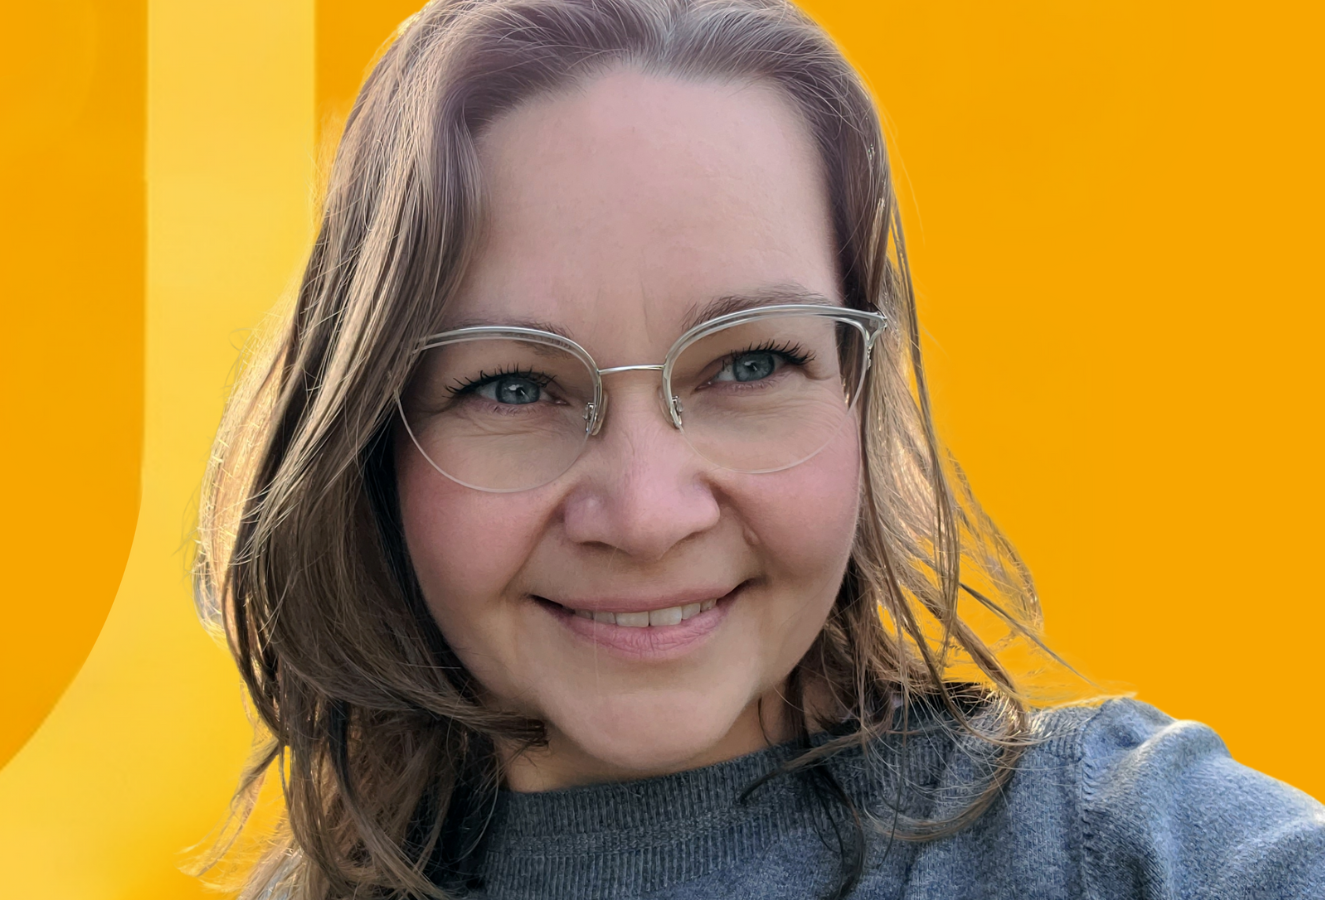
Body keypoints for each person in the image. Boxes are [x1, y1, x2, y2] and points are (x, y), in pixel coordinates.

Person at [193, 1, 1325, 897]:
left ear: (856, 386)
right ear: (374, 440)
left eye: (746, 366)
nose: (646, 514)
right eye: (511, 384)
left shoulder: (1123, 852)